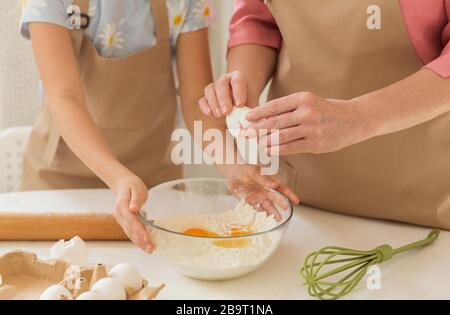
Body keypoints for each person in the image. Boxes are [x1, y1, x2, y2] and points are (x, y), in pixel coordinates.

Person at [20, 0, 298, 252]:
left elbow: (195, 98)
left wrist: (230, 164)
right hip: (61, 183)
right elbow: (64, 98)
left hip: (153, 184)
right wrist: (118, 178)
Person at [199, 0, 450, 229]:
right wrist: (243, 84)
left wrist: (359, 117)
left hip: (426, 213)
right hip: (298, 205)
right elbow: (257, 19)